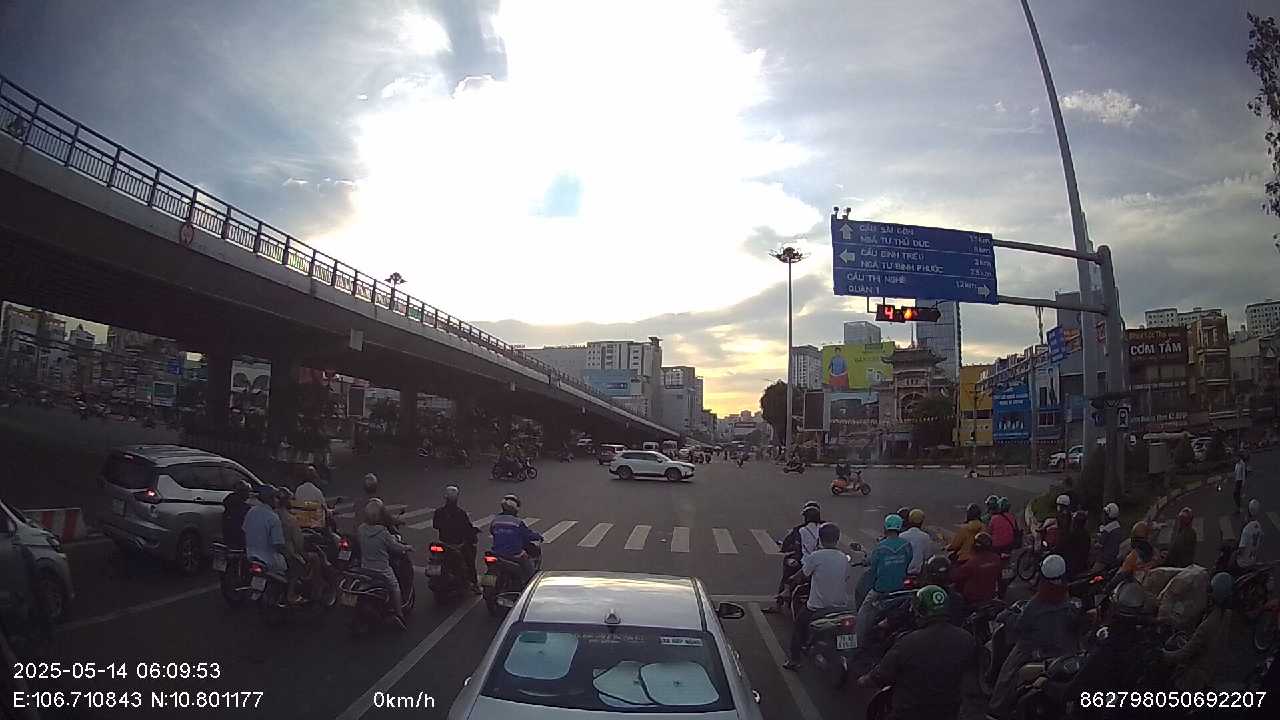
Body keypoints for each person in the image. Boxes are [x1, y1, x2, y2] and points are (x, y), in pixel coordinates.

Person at [856, 585, 977, 720]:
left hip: (909, 712)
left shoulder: (908, 642)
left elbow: (880, 676)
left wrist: (863, 680)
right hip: (949, 712)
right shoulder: (967, 639)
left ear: (920, 611)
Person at [988, 554, 1079, 717]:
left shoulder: (1037, 603)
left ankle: (995, 710)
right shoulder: (1067, 600)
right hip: (1065, 652)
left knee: (1007, 673)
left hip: (1035, 649)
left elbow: (1020, 625)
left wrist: (1006, 616)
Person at [783, 522, 852, 670]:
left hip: (817, 607)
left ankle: (795, 660)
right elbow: (846, 577)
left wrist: (791, 579)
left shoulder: (816, 556)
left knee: (798, 628)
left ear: (820, 539)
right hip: (841, 606)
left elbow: (802, 575)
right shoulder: (843, 558)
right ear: (837, 538)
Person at [1163, 572, 1233, 691]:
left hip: (1194, 680)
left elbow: (1184, 654)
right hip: (1214, 672)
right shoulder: (1227, 615)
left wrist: (1164, 655)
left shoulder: (1207, 626)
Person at [855, 514, 913, 651]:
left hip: (881, 590)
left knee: (863, 613)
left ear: (886, 528)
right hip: (901, 588)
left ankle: (857, 644)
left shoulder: (880, 547)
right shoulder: (906, 545)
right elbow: (908, 561)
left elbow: (873, 568)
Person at [357, 499, 412, 629]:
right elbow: (395, 547)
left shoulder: (361, 529)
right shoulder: (382, 532)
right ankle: (399, 615)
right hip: (382, 569)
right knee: (395, 586)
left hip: (365, 568)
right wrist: (407, 547)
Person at [431, 485, 481, 594]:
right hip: (457, 545)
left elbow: (435, 525)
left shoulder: (439, 512)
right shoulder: (460, 513)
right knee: (470, 561)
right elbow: (467, 528)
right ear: (456, 498)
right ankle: (475, 584)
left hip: (443, 543)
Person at [243, 486, 291, 597]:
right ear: (270, 499)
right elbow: (278, 543)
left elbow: (244, 530)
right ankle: (289, 595)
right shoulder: (273, 517)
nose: (277, 501)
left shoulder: (251, 511)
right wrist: (288, 553)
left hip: (250, 555)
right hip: (269, 559)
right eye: (275, 498)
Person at [489, 494, 542, 584]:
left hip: (496, 553)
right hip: (514, 555)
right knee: (531, 573)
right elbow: (527, 535)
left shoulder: (495, 520)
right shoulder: (517, 522)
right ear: (515, 508)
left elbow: (492, 532)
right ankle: (529, 585)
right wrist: (538, 536)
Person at [273, 486, 309, 603]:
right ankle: (291, 594)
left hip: (271, 549)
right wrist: (302, 553)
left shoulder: (271, 514)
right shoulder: (290, 519)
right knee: (299, 566)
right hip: (287, 552)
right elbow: (298, 542)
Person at [951, 532, 1002, 611]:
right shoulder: (996, 558)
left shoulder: (972, 563)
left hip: (973, 598)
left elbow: (955, 576)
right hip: (991, 595)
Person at [900, 509, 935, 577]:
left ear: (909, 520)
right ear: (921, 522)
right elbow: (928, 555)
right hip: (919, 572)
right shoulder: (926, 537)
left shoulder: (902, 536)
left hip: (904, 572)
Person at [221, 479, 253, 550]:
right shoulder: (242, 508)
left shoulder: (230, 504)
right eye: (248, 491)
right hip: (239, 541)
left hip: (228, 539)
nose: (249, 494)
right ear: (242, 492)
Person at [1092, 502, 1124, 572]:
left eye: (1105, 514)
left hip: (1104, 560)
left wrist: (1094, 543)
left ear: (1108, 515)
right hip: (1114, 558)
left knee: (1092, 573)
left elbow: (1099, 545)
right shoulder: (1117, 526)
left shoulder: (1107, 529)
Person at [1062, 510, 1092, 577]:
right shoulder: (1086, 535)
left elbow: (1061, 547)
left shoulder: (1072, 535)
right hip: (1082, 565)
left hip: (1071, 567)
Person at [1237, 499, 1263, 570]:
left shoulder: (1246, 530)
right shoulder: (1258, 526)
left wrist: (1236, 553)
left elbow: (1241, 549)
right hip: (1253, 559)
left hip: (1243, 563)